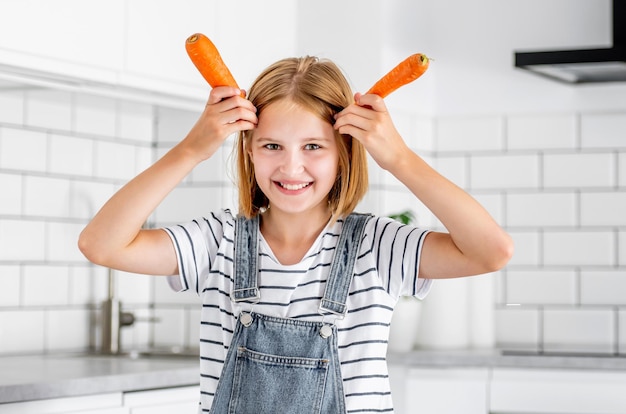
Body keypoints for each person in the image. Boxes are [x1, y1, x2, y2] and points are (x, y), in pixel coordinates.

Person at [78, 56, 513, 413]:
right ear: (248, 150)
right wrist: (192, 149)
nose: (290, 168)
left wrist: (398, 158)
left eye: (313, 146)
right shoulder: (218, 241)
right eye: (271, 146)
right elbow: (100, 244)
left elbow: (491, 252)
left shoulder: (377, 246)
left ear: (344, 153)